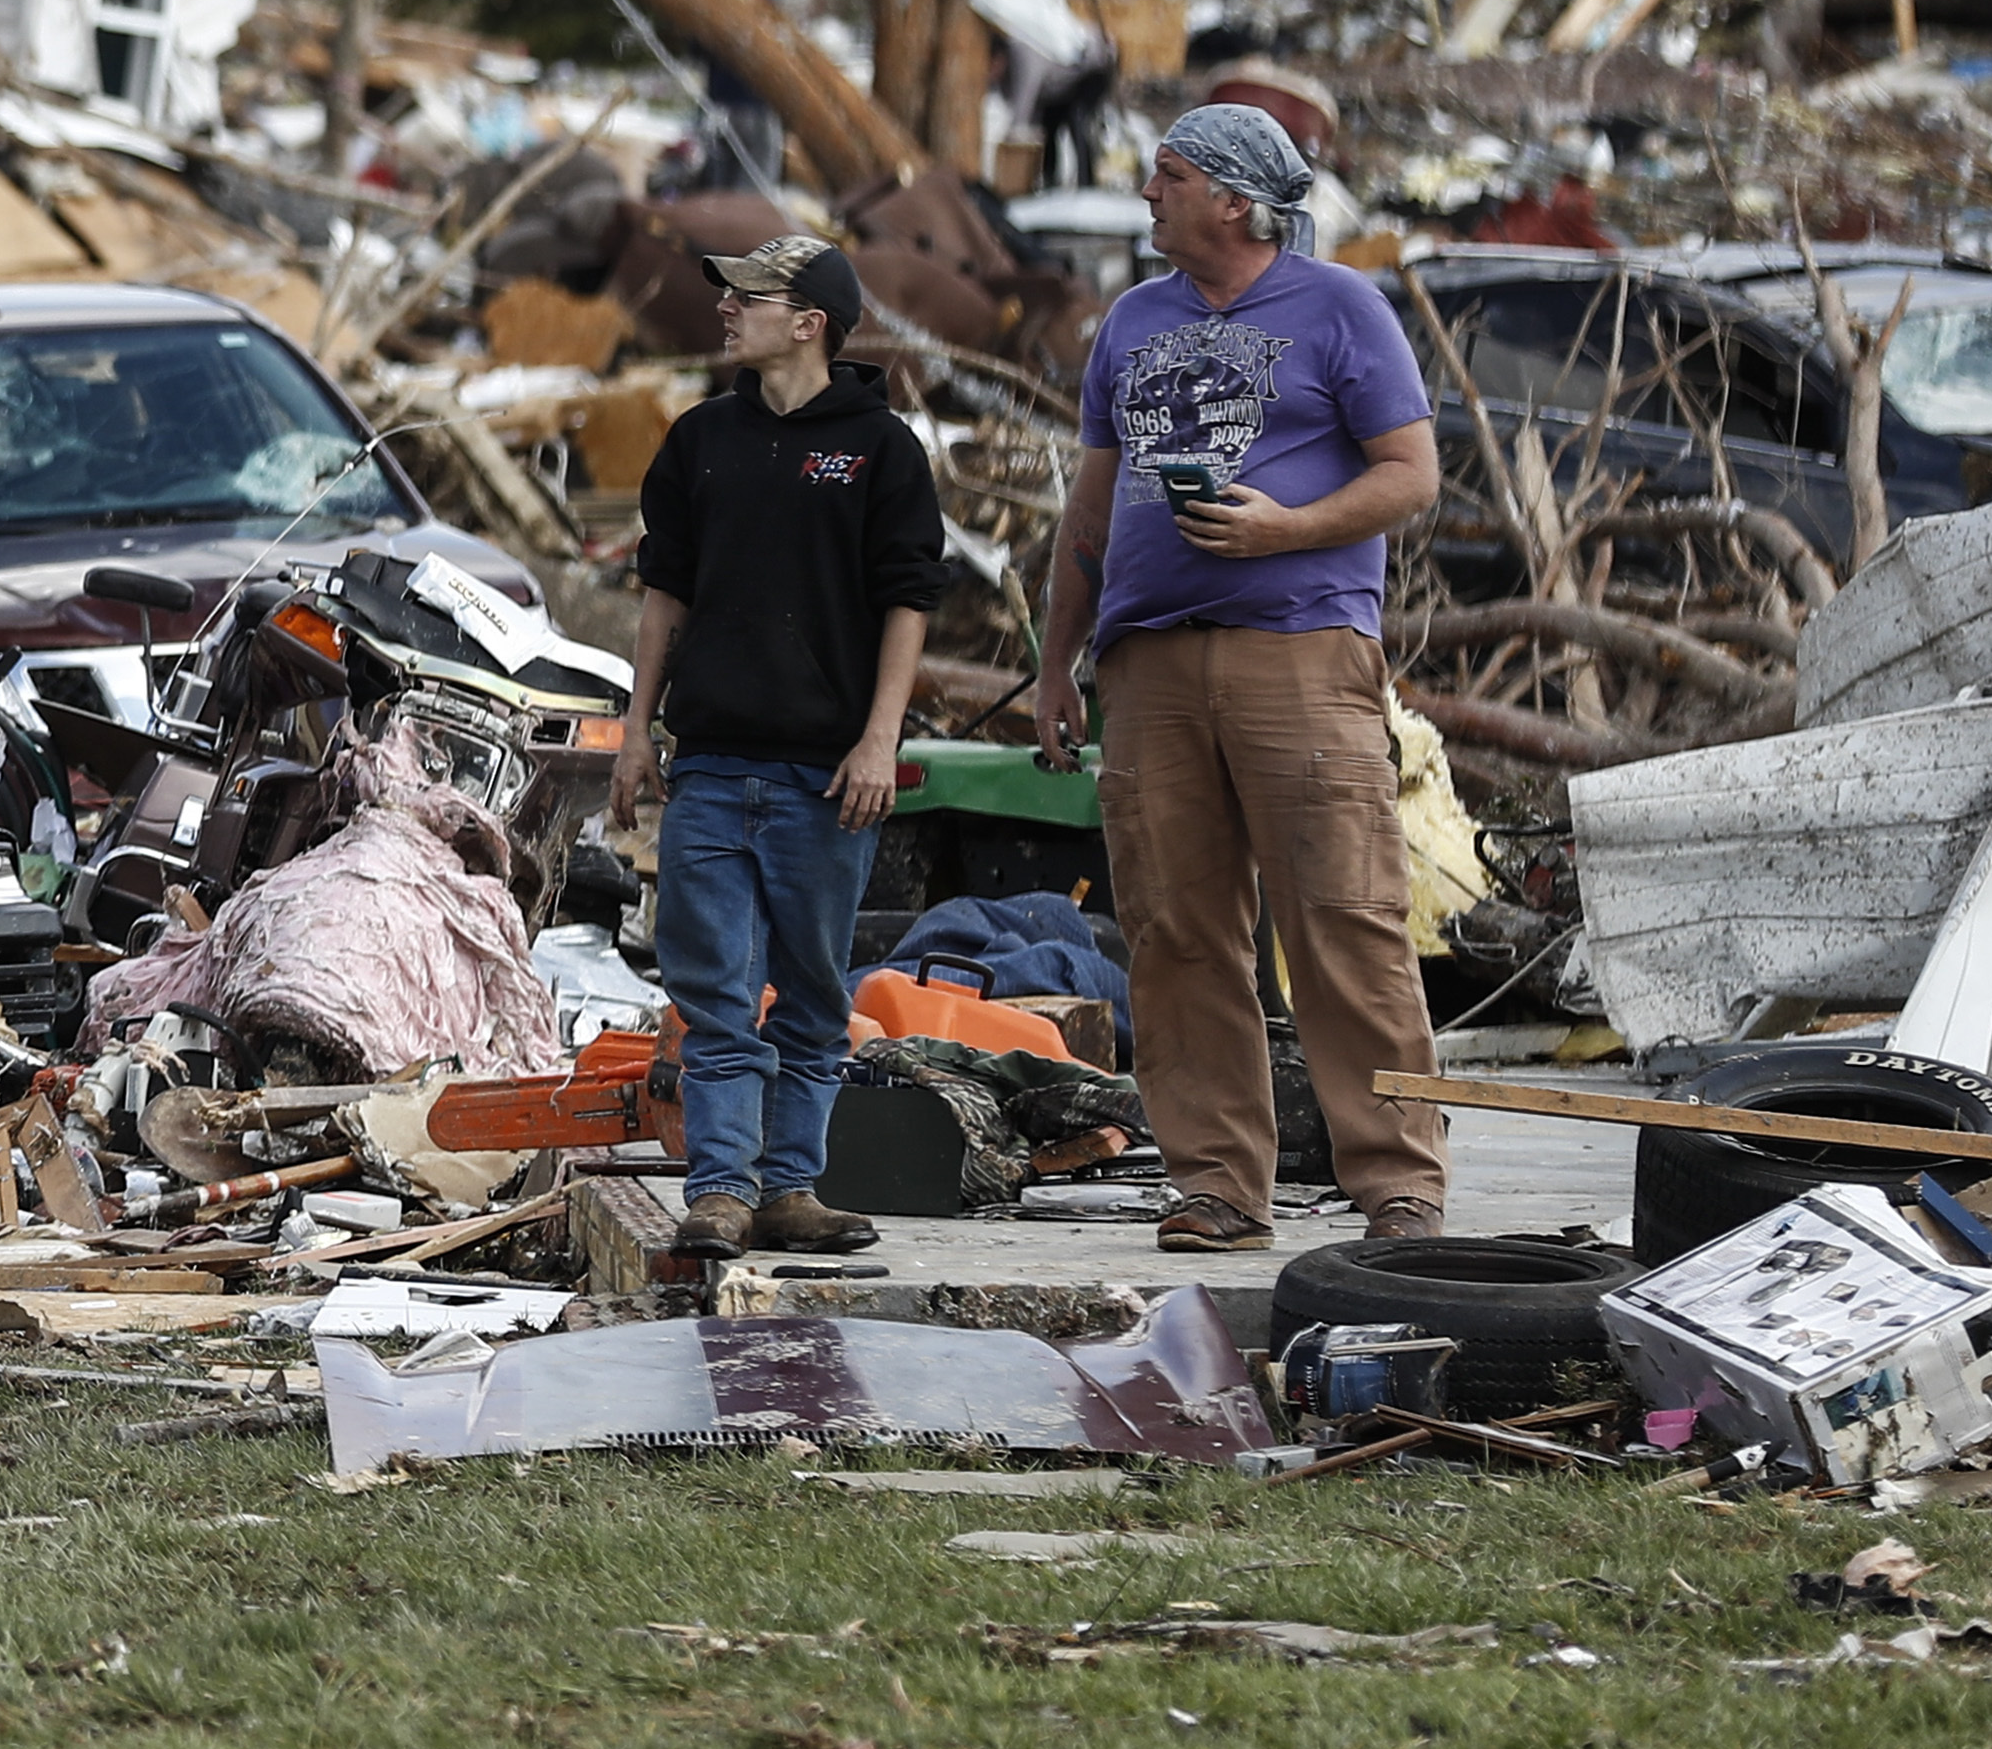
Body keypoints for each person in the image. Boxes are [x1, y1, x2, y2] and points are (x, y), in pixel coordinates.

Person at [1025, 102, 1450, 1253]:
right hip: (1148, 658)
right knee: (1174, 928)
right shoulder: (1131, 322)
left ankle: (1399, 1182)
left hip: (1300, 646)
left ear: (1232, 200)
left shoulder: (1341, 307)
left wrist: (1290, 528)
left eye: (1164, 177)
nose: (1146, 196)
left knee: (1342, 915)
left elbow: (1412, 475)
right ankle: (1216, 1183)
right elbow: (1092, 504)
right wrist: (1055, 665)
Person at [609, 234, 945, 1258]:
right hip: (713, 766)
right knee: (714, 993)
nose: (725, 309)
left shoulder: (882, 450)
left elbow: (908, 600)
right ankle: (720, 1191)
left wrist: (879, 741)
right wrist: (635, 732)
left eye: (748, 296)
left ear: (810, 321)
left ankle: (790, 1190)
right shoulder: (699, 440)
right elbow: (665, 592)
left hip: (824, 779)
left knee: (811, 994)